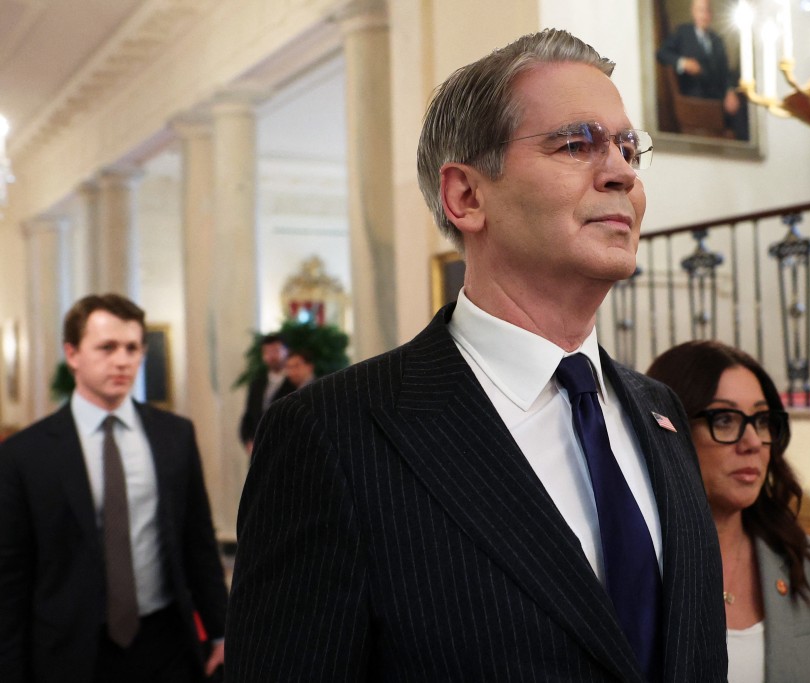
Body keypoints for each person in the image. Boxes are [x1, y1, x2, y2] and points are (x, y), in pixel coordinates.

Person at [226, 28, 727, 682]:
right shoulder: (332, 436)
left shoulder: (660, 414)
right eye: (578, 143)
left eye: (628, 147)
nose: (622, 171)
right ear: (466, 196)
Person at [0, 293, 228, 682]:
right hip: (69, 650)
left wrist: (223, 631)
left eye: (132, 348)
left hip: (165, 641)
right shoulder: (26, 453)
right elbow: (11, 576)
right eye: (107, 348)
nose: (123, 360)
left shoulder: (174, 435)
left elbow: (198, 542)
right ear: (72, 354)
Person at [646, 340, 810, 683]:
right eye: (725, 419)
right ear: (671, 430)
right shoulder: (633, 570)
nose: (753, 442)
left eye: (761, 420)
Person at [656, 0, 749, 140]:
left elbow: (726, 72)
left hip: (718, 97)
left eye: (707, 11)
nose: (704, 15)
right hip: (693, 96)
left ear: (711, 14)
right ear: (693, 12)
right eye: (700, 10)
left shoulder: (717, 39)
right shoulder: (683, 33)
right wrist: (683, 62)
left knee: (743, 107)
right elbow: (661, 53)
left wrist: (730, 90)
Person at [237, 332, 295, 453]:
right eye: (267, 352)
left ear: (287, 351)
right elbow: (249, 416)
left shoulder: (295, 383)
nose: (271, 356)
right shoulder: (257, 383)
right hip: (259, 452)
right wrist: (248, 441)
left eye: (276, 351)